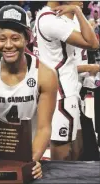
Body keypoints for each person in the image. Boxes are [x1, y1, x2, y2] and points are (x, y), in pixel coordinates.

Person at [0, 5, 58, 179]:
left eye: (15, 38)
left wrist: (31, 162)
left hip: (26, 154)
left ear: (27, 39)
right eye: (2, 39)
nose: (8, 45)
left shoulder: (46, 75)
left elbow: (43, 127)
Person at [35, 1, 99, 161]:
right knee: (62, 157)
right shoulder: (50, 20)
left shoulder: (54, 18)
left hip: (69, 92)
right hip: (61, 94)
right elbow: (94, 43)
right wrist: (77, 10)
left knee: (78, 150)